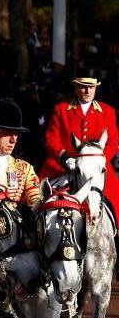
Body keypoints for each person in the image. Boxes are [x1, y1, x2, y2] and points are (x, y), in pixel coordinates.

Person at [40, 73, 119, 218]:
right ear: (76, 88)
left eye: (91, 87)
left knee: (116, 200)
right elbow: (51, 139)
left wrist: (97, 161)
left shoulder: (108, 112)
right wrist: (65, 158)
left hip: (97, 167)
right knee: (39, 200)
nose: (88, 91)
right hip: (62, 167)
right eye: (84, 87)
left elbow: (113, 142)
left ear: (95, 88)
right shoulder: (61, 109)